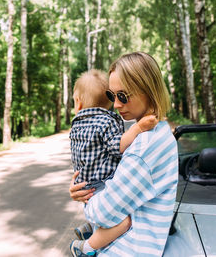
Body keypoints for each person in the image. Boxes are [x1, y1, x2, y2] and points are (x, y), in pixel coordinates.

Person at [69, 52, 179, 256]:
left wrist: (87, 199)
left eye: (123, 96)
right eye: (112, 96)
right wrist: (83, 189)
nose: (116, 105)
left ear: (148, 90)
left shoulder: (145, 146)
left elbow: (102, 214)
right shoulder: (154, 133)